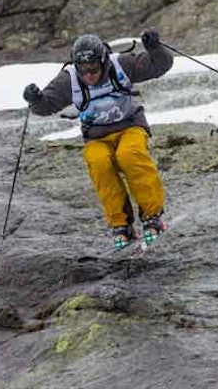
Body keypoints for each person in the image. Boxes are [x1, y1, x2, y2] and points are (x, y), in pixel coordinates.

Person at [23, 30, 174, 249]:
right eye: (84, 70)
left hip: (130, 126)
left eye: (93, 69)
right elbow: (47, 105)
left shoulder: (121, 65)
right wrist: (35, 99)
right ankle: (121, 225)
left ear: (102, 61)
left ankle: (153, 217)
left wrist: (155, 48)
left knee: (129, 155)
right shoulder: (69, 80)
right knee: (99, 163)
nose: (89, 75)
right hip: (97, 137)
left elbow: (159, 66)